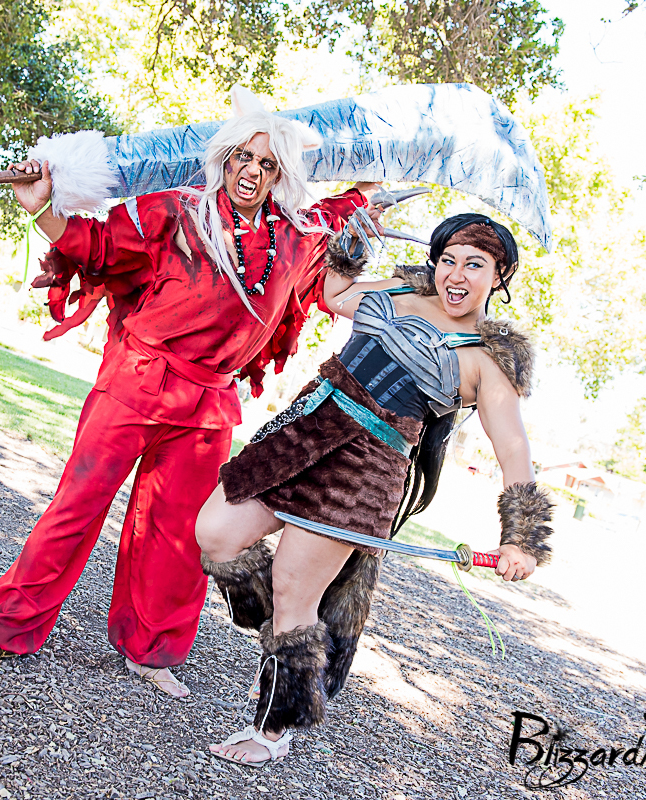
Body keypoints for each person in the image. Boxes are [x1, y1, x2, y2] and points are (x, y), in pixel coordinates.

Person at [0, 87, 386, 699]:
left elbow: (341, 226)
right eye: (242, 157)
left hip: (208, 407)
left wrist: (370, 199)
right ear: (224, 159)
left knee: (177, 533)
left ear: (280, 175)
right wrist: (41, 207)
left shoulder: (295, 238)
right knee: (77, 507)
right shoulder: (174, 210)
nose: (252, 171)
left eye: (267, 164)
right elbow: (96, 247)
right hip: (135, 383)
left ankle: (151, 650)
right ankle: (6, 627)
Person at [195, 213, 554, 763]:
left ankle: (272, 727)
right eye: (448, 259)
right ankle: (291, 644)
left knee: (294, 593)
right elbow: (336, 296)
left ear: (499, 275)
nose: (456, 275)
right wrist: (351, 244)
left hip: (362, 470)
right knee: (216, 533)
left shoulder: (489, 359)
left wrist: (522, 538)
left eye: (474, 264)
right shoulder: (405, 288)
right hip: (300, 429)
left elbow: (512, 446)